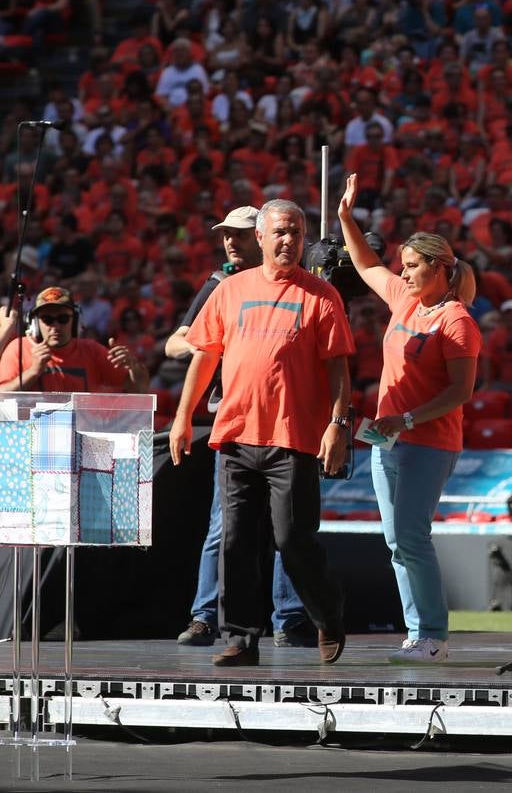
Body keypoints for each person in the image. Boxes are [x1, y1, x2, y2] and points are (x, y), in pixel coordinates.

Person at [169, 199, 352, 668]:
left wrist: (337, 423)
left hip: (292, 438)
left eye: (295, 232)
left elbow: (337, 368)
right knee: (235, 542)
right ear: (262, 239)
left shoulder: (321, 295)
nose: (288, 240)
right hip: (234, 435)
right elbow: (204, 356)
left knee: (293, 539)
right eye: (279, 233)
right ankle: (242, 637)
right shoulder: (230, 290)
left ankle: (327, 614)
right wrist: (183, 416)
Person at [336, 175, 480, 663]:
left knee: (412, 535)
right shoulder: (404, 299)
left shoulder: (456, 319)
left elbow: (461, 390)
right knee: (397, 539)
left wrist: (410, 419)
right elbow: (365, 262)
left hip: (429, 441)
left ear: (439, 268)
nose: (406, 273)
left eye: (415, 266)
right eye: (405, 267)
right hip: (387, 439)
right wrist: (345, 219)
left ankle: (432, 633)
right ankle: (418, 630)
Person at [0, 286, 148, 394]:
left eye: (63, 319)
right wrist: (32, 372)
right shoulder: (19, 348)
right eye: (47, 319)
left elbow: (139, 389)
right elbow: (2, 394)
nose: (55, 326)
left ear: (76, 321)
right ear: (35, 324)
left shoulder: (91, 350)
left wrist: (133, 367)